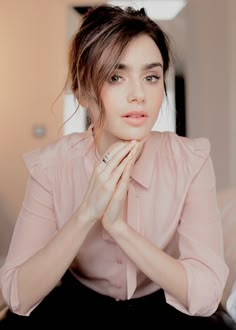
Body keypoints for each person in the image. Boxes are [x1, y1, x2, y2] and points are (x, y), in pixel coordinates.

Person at [0, 4, 229, 328]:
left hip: (162, 299)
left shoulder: (189, 161)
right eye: (115, 77)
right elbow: (16, 294)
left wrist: (120, 230)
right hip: (80, 300)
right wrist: (86, 215)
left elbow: (207, 294)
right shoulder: (51, 167)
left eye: (151, 76)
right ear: (81, 91)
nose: (139, 95)